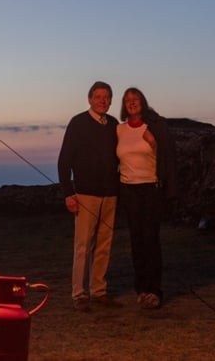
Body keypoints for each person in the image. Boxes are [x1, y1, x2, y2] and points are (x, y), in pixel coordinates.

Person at [58, 81, 122, 311]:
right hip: (85, 194)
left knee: (104, 245)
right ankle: (79, 294)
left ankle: (99, 290)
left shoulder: (113, 124)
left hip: (110, 195)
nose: (102, 101)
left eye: (106, 97)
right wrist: (68, 193)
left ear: (111, 100)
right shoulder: (78, 123)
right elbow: (64, 160)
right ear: (89, 99)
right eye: (98, 97)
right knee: (83, 246)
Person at [116, 87, 178, 310]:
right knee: (136, 241)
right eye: (128, 100)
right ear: (124, 105)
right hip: (128, 190)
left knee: (151, 239)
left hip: (151, 188)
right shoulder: (120, 130)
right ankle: (141, 288)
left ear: (142, 102)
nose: (132, 103)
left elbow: (168, 157)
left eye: (136, 99)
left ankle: (154, 290)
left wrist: (155, 143)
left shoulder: (154, 127)